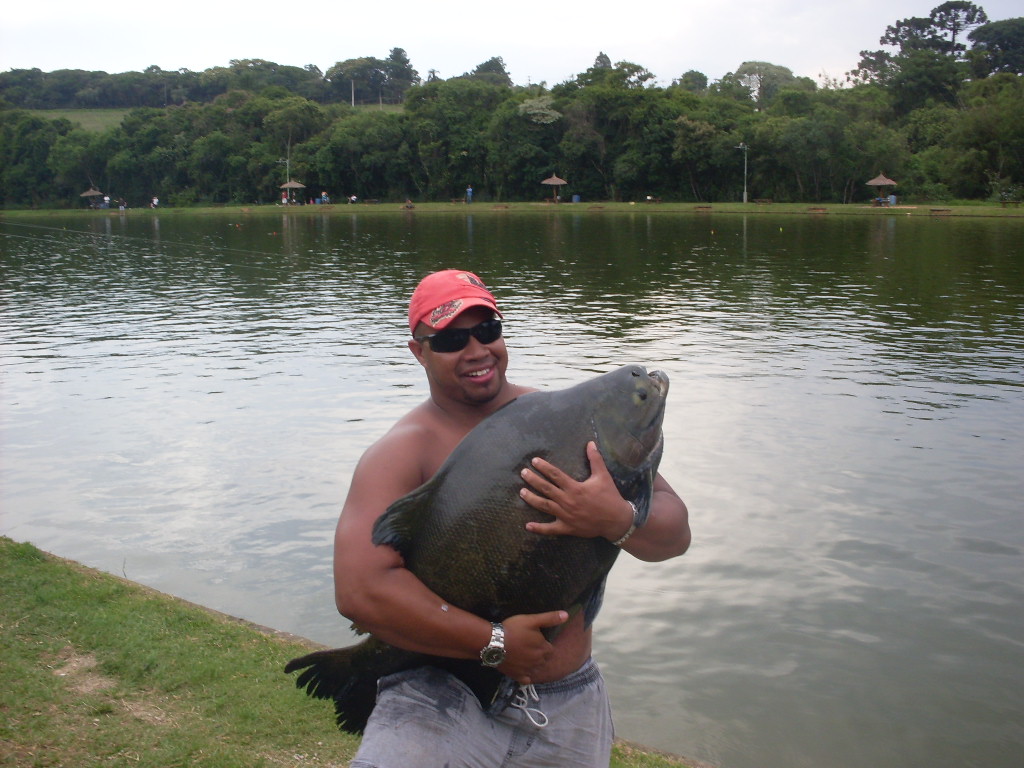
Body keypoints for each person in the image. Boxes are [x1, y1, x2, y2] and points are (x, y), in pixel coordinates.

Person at [334, 269, 691, 768]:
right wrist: (494, 643)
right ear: (419, 352)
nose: (476, 350)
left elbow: (674, 536)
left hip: (567, 700)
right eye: (452, 340)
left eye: (488, 330)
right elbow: (361, 591)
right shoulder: (400, 452)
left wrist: (615, 519)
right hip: (435, 690)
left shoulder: (562, 417)